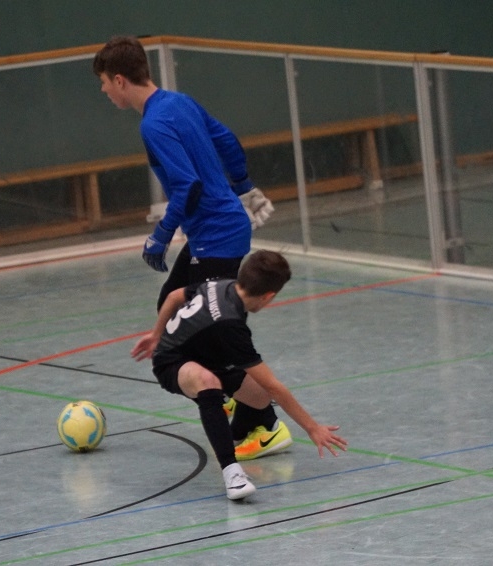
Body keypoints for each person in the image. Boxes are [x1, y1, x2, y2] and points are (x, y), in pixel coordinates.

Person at [130, 250, 347, 500]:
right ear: (268, 296)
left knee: (260, 396)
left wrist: (156, 333)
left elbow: (173, 296)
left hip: (210, 355)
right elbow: (275, 385)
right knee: (208, 383)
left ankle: (239, 432)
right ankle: (232, 473)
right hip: (172, 361)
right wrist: (312, 428)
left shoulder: (224, 284)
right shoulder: (230, 324)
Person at [92, 36, 274, 311]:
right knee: (170, 306)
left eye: (104, 81)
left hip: (216, 236)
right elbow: (227, 141)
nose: (103, 89)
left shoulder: (153, 124)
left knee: (205, 324)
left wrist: (162, 233)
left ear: (119, 81)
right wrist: (243, 186)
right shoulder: (181, 101)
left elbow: (188, 185)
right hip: (220, 229)